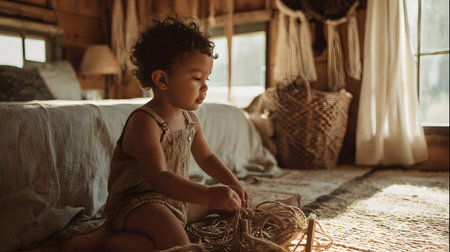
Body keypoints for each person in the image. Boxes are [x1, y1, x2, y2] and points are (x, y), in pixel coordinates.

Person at [64, 16, 300, 252]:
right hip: (138, 206)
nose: (205, 87)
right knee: (177, 241)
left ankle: (270, 210)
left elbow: (206, 158)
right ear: (162, 79)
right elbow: (158, 177)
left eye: (207, 79)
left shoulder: (190, 121)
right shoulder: (145, 122)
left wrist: (232, 183)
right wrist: (208, 194)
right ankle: (104, 239)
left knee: (225, 204)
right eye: (197, 78)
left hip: (172, 200)